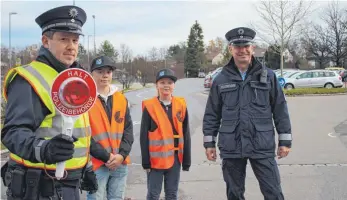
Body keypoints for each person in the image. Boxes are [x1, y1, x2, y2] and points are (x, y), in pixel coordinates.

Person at [1, 5, 113, 200]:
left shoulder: (74, 79)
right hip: (38, 187)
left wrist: (85, 167)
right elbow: (13, 133)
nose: (71, 46)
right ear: (45, 41)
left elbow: (77, 131)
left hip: (68, 184)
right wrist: (44, 149)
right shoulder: (29, 78)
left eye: (75, 40)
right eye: (64, 39)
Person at [202, 27, 292, 200]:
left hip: (262, 144)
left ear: (252, 48)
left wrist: (285, 140)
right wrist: (209, 143)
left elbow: (280, 109)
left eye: (245, 45)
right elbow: (212, 113)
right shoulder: (220, 79)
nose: (242, 50)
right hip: (231, 146)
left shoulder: (269, 76)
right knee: (234, 194)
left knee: (273, 192)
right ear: (230, 49)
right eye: (237, 46)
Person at [86, 55, 134, 200]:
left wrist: (121, 155)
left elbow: (128, 130)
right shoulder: (84, 99)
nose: (105, 75)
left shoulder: (121, 98)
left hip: (120, 163)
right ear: (92, 74)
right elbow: (83, 135)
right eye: (100, 71)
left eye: (108, 71)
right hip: (97, 164)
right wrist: (106, 157)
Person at [140, 69, 191, 200]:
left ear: (174, 85)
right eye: (162, 82)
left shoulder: (181, 104)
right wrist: (146, 162)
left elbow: (185, 133)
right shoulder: (149, 106)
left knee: (172, 194)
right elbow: (143, 137)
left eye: (169, 82)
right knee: (153, 195)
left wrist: (186, 160)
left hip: (175, 159)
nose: (166, 85)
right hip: (155, 161)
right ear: (156, 85)